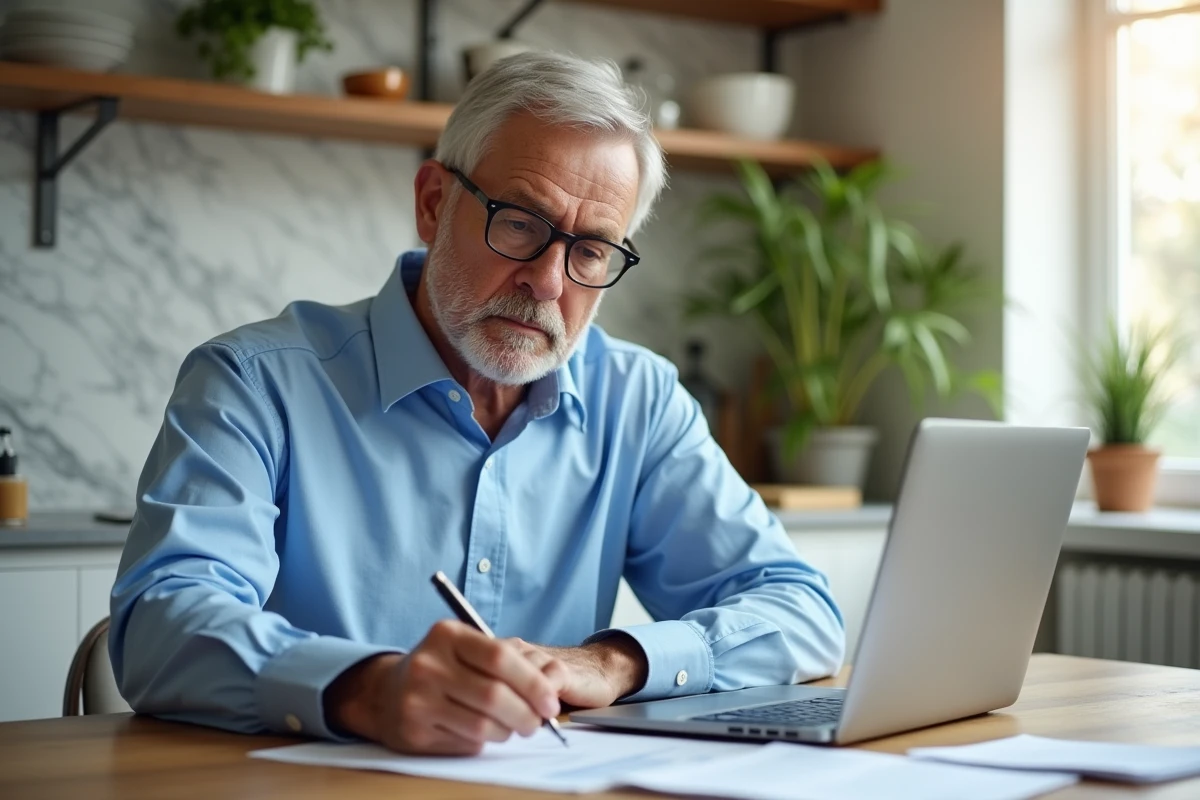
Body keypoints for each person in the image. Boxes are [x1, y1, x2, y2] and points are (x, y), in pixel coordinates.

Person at [109, 52, 844, 756]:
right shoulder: (254, 382)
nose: (549, 283)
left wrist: (618, 662)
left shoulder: (637, 400)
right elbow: (159, 625)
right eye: (521, 223)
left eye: (591, 251)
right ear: (433, 204)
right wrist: (367, 690)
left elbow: (803, 613)